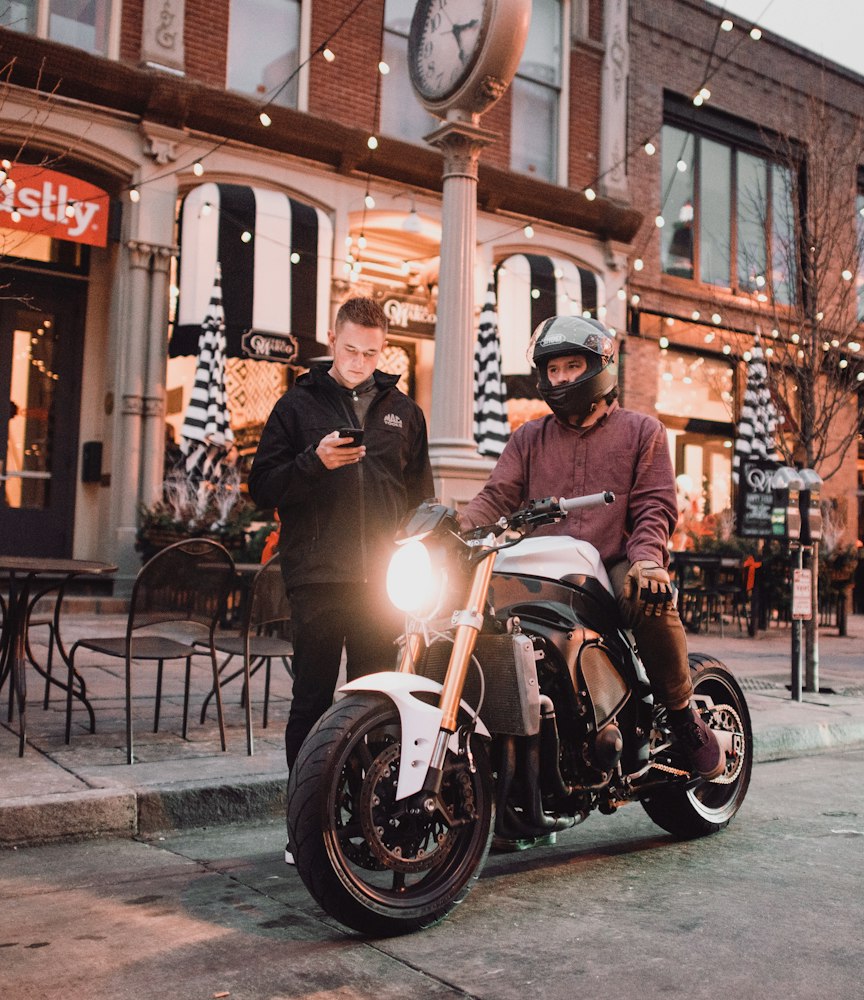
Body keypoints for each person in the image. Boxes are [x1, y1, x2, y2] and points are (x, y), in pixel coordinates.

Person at [459, 315, 724, 782]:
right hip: (543, 564)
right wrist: (451, 526)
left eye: (572, 365)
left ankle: (682, 716)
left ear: (599, 366)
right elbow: (496, 497)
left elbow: (654, 506)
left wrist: (646, 559)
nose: (560, 377)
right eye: (553, 369)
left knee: (651, 598)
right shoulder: (528, 437)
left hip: (613, 561)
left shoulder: (642, 432)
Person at [248, 296, 434, 862]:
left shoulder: (404, 411)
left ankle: (367, 822)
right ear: (333, 340)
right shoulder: (297, 405)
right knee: (312, 702)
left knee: (380, 704)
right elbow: (262, 487)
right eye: (350, 349)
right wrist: (313, 461)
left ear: (384, 350)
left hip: (383, 583)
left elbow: (420, 499)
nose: (358, 360)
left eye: (370, 352)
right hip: (319, 577)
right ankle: (305, 828)